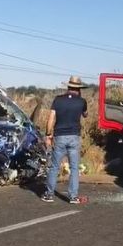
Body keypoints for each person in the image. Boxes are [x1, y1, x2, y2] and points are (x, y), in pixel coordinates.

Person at [42, 76, 88, 204]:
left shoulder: (58, 100)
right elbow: (85, 114)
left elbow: (51, 118)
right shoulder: (82, 101)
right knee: (74, 167)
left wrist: (48, 135)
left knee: (55, 166)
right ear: (79, 89)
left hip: (60, 136)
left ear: (68, 87)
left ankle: (49, 194)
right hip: (74, 136)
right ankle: (73, 196)